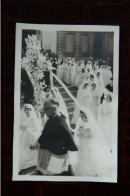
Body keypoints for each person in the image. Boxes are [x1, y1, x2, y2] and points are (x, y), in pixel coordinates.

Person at [30, 98, 78, 176]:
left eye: (45, 109)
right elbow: (44, 134)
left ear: (53, 109)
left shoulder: (60, 122)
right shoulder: (52, 119)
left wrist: (61, 152)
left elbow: (68, 138)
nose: (44, 112)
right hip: (47, 152)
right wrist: (36, 143)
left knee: (56, 174)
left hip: (55, 155)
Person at [72, 109, 113, 177]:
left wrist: (83, 132)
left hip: (88, 143)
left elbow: (90, 136)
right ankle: (82, 170)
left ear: (86, 116)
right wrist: (79, 133)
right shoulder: (80, 122)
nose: (81, 118)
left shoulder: (90, 123)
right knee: (81, 156)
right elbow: (77, 133)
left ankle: (91, 170)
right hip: (82, 142)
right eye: (80, 116)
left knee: (89, 156)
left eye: (82, 116)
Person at [19, 104, 42, 173]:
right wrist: (22, 128)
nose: (26, 111)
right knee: (24, 148)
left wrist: (27, 129)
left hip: (31, 136)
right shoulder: (26, 117)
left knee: (30, 148)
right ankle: (26, 160)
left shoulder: (33, 118)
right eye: (25, 110)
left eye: (28, 110)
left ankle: (33, 162)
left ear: (31, 110)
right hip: (25, 135)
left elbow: (37, 129)